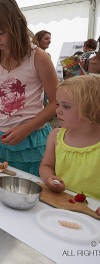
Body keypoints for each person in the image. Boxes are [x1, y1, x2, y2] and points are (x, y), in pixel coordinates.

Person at [0, 0, 58, 176]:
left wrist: (27, 128)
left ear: (17, 24)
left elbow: (56, 102)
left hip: (32, 139)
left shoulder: (38, 57)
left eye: (0, 32)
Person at [39, 75, 100, 203]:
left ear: (93, 110)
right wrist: (50, 178)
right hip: (60, 203)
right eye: (58, 104)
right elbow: (46, 166)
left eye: (65, 106)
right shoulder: (55, 136)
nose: (57, 110)